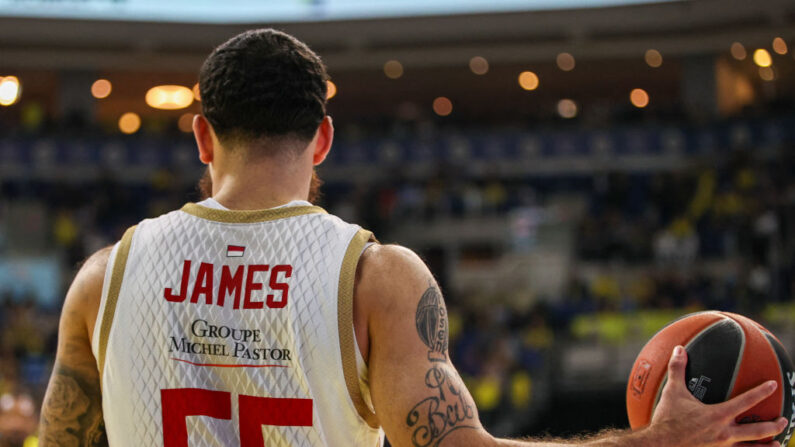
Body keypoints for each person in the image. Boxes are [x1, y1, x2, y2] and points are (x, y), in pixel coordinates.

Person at [39, 29, 788, 447]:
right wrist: (653, 445)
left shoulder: (104, 278)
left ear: (201, 136)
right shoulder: (377, 277)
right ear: (324, 139)